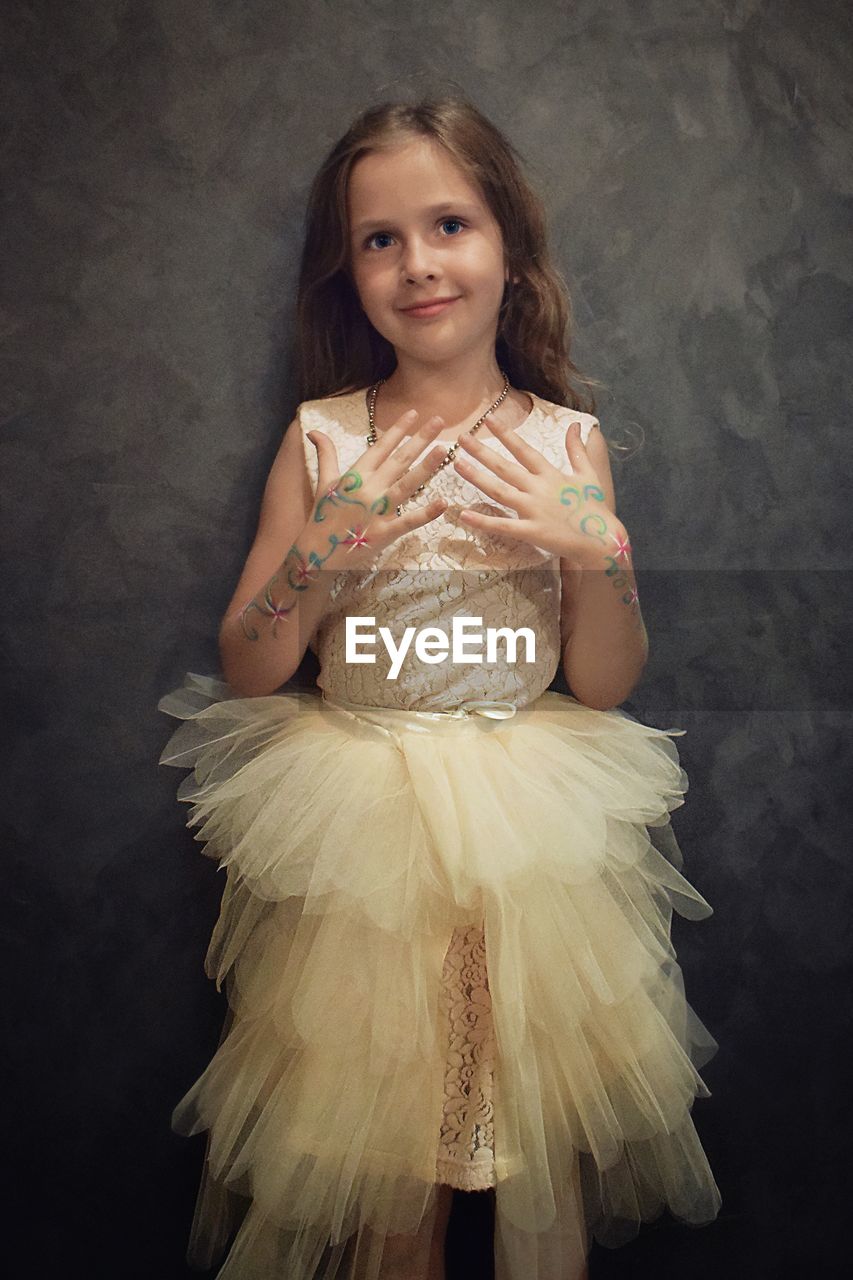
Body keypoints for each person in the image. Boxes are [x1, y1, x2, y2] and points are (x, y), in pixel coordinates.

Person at [158, 95, 722, 1280]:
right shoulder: (326, 438)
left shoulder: (565, 445)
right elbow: (254, 662)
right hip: (367, 840)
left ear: (506, 248)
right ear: (350, 272)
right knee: (387, 1175)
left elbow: (605, 683)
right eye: (379, 238)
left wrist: (597, 553)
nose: (417, 262)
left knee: (534, 1167)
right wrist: (328, 545)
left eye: (449, 224)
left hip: (529, 839)